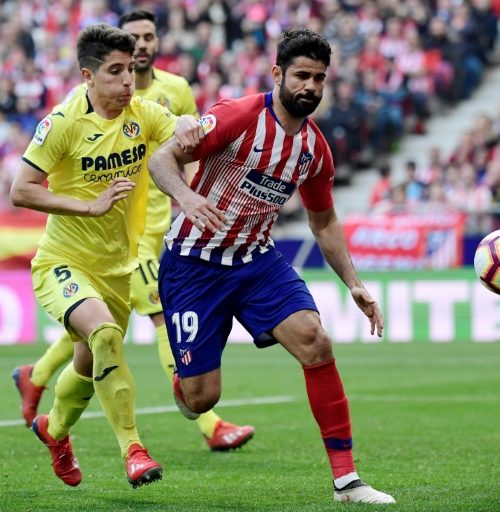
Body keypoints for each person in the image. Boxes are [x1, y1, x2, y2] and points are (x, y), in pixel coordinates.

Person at [148, 27, 396, 505]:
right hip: (193, 265)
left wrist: (354, 283)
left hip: (256, 261)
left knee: (315, 341)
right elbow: (162, 160)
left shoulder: (315, 150)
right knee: (201, 398)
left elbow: (323, 221)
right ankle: (186, 380)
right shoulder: (238, 116)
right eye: (302, 76)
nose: (310, 87)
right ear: (278, 74)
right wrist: (187, 197)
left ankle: (347, 481)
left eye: (319, 79)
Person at [12, 9, 254, 453]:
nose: (140, 51)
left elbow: (190, 138)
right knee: (148, 321)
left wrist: (193, 181)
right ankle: (198, 426)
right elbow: (21, 189)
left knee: (93, 343)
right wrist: (89, 206)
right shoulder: (69, 117)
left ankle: (40, 383)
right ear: (91, 73)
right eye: (121, 61)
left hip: (144, 239)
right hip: (99, 249)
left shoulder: (168, 93)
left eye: (147, 37)